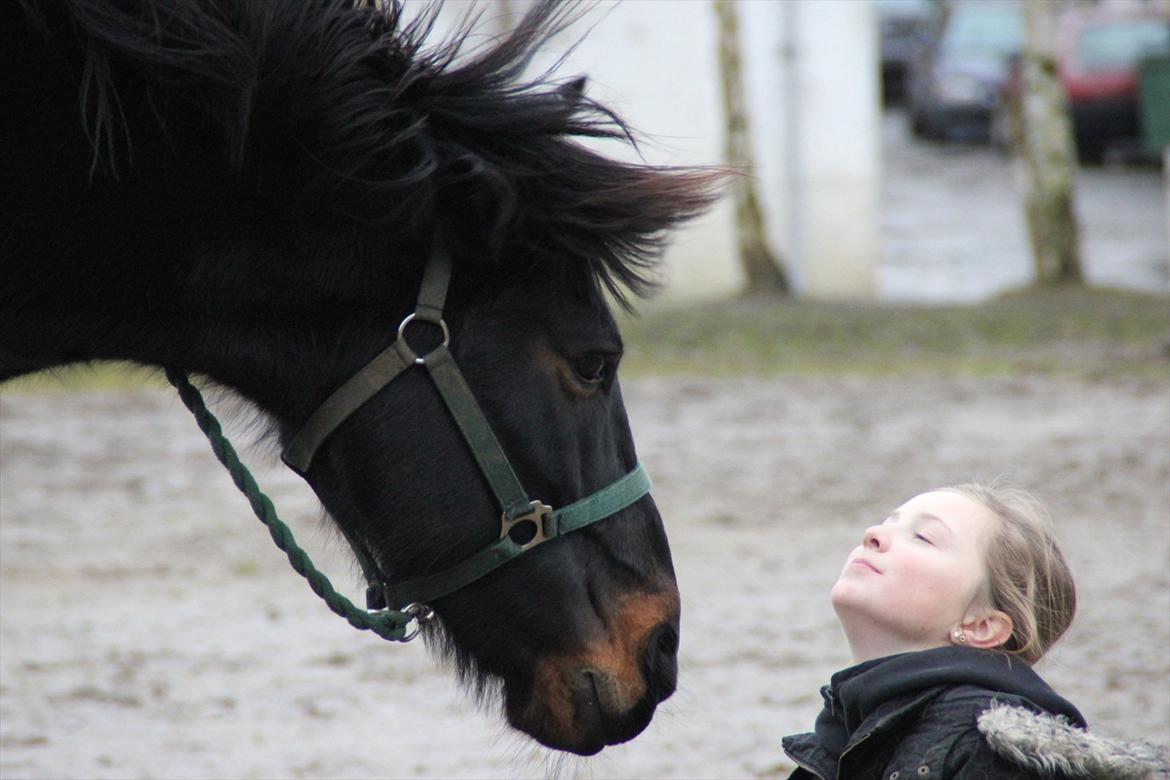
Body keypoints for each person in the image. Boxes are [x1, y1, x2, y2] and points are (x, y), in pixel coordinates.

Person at [781, 483, 1169, 779]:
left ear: (982, 625)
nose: (873, 534)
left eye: (923, 537)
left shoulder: (990, 753)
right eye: (887, 522)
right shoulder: (839, 741)